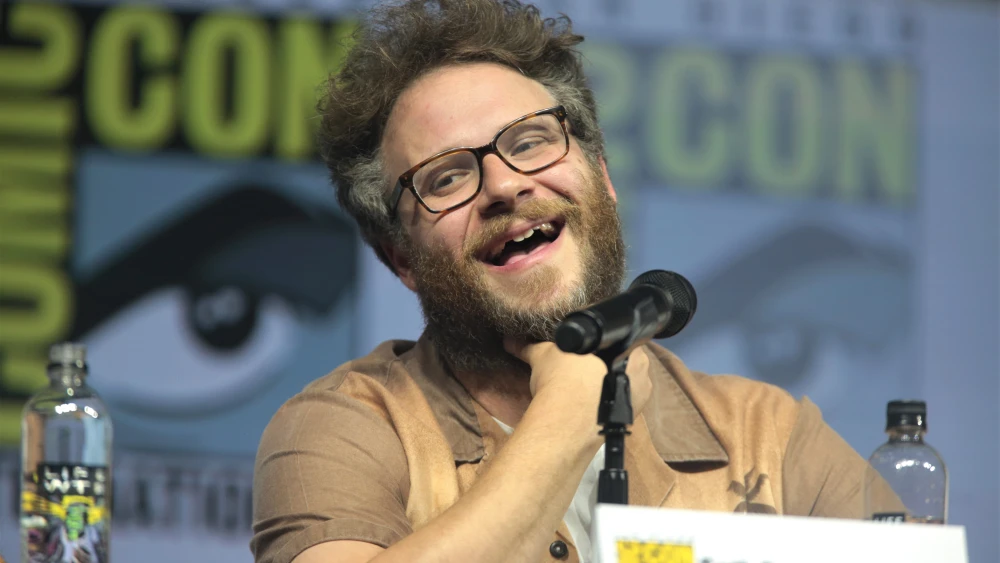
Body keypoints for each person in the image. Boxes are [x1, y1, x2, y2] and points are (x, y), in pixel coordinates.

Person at [250, 1, 898, 562]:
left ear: (603, 179)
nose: (505, 186)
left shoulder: (770, 434)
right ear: (401, 257)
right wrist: (570, 407)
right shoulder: (346, 427)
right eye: (446, 177)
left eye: (530, 141)